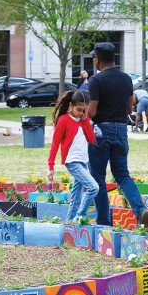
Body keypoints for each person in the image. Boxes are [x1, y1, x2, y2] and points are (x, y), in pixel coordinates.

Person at [87, 42, 148, 226]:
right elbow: (130, 107)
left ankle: (104, 222)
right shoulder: (126, 79)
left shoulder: (96, 80)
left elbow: (92, 111)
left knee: (98, 177)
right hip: (121, 130)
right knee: (122, 174)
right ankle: (140, 210)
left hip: (101, 132)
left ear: (97, 59)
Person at [47, 90, 98, 221]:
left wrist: (85, 120)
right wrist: (50, 167)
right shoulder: (63, 120)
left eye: (84, 110)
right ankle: (79, 216)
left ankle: (68, 225)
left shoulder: (83, 120)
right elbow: (55, 144)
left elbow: (91, 139)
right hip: (73, 162)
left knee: (76, 197)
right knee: (93, 187)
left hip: (83, 161)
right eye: (79, 110)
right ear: (71, 105)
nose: (81, 113)